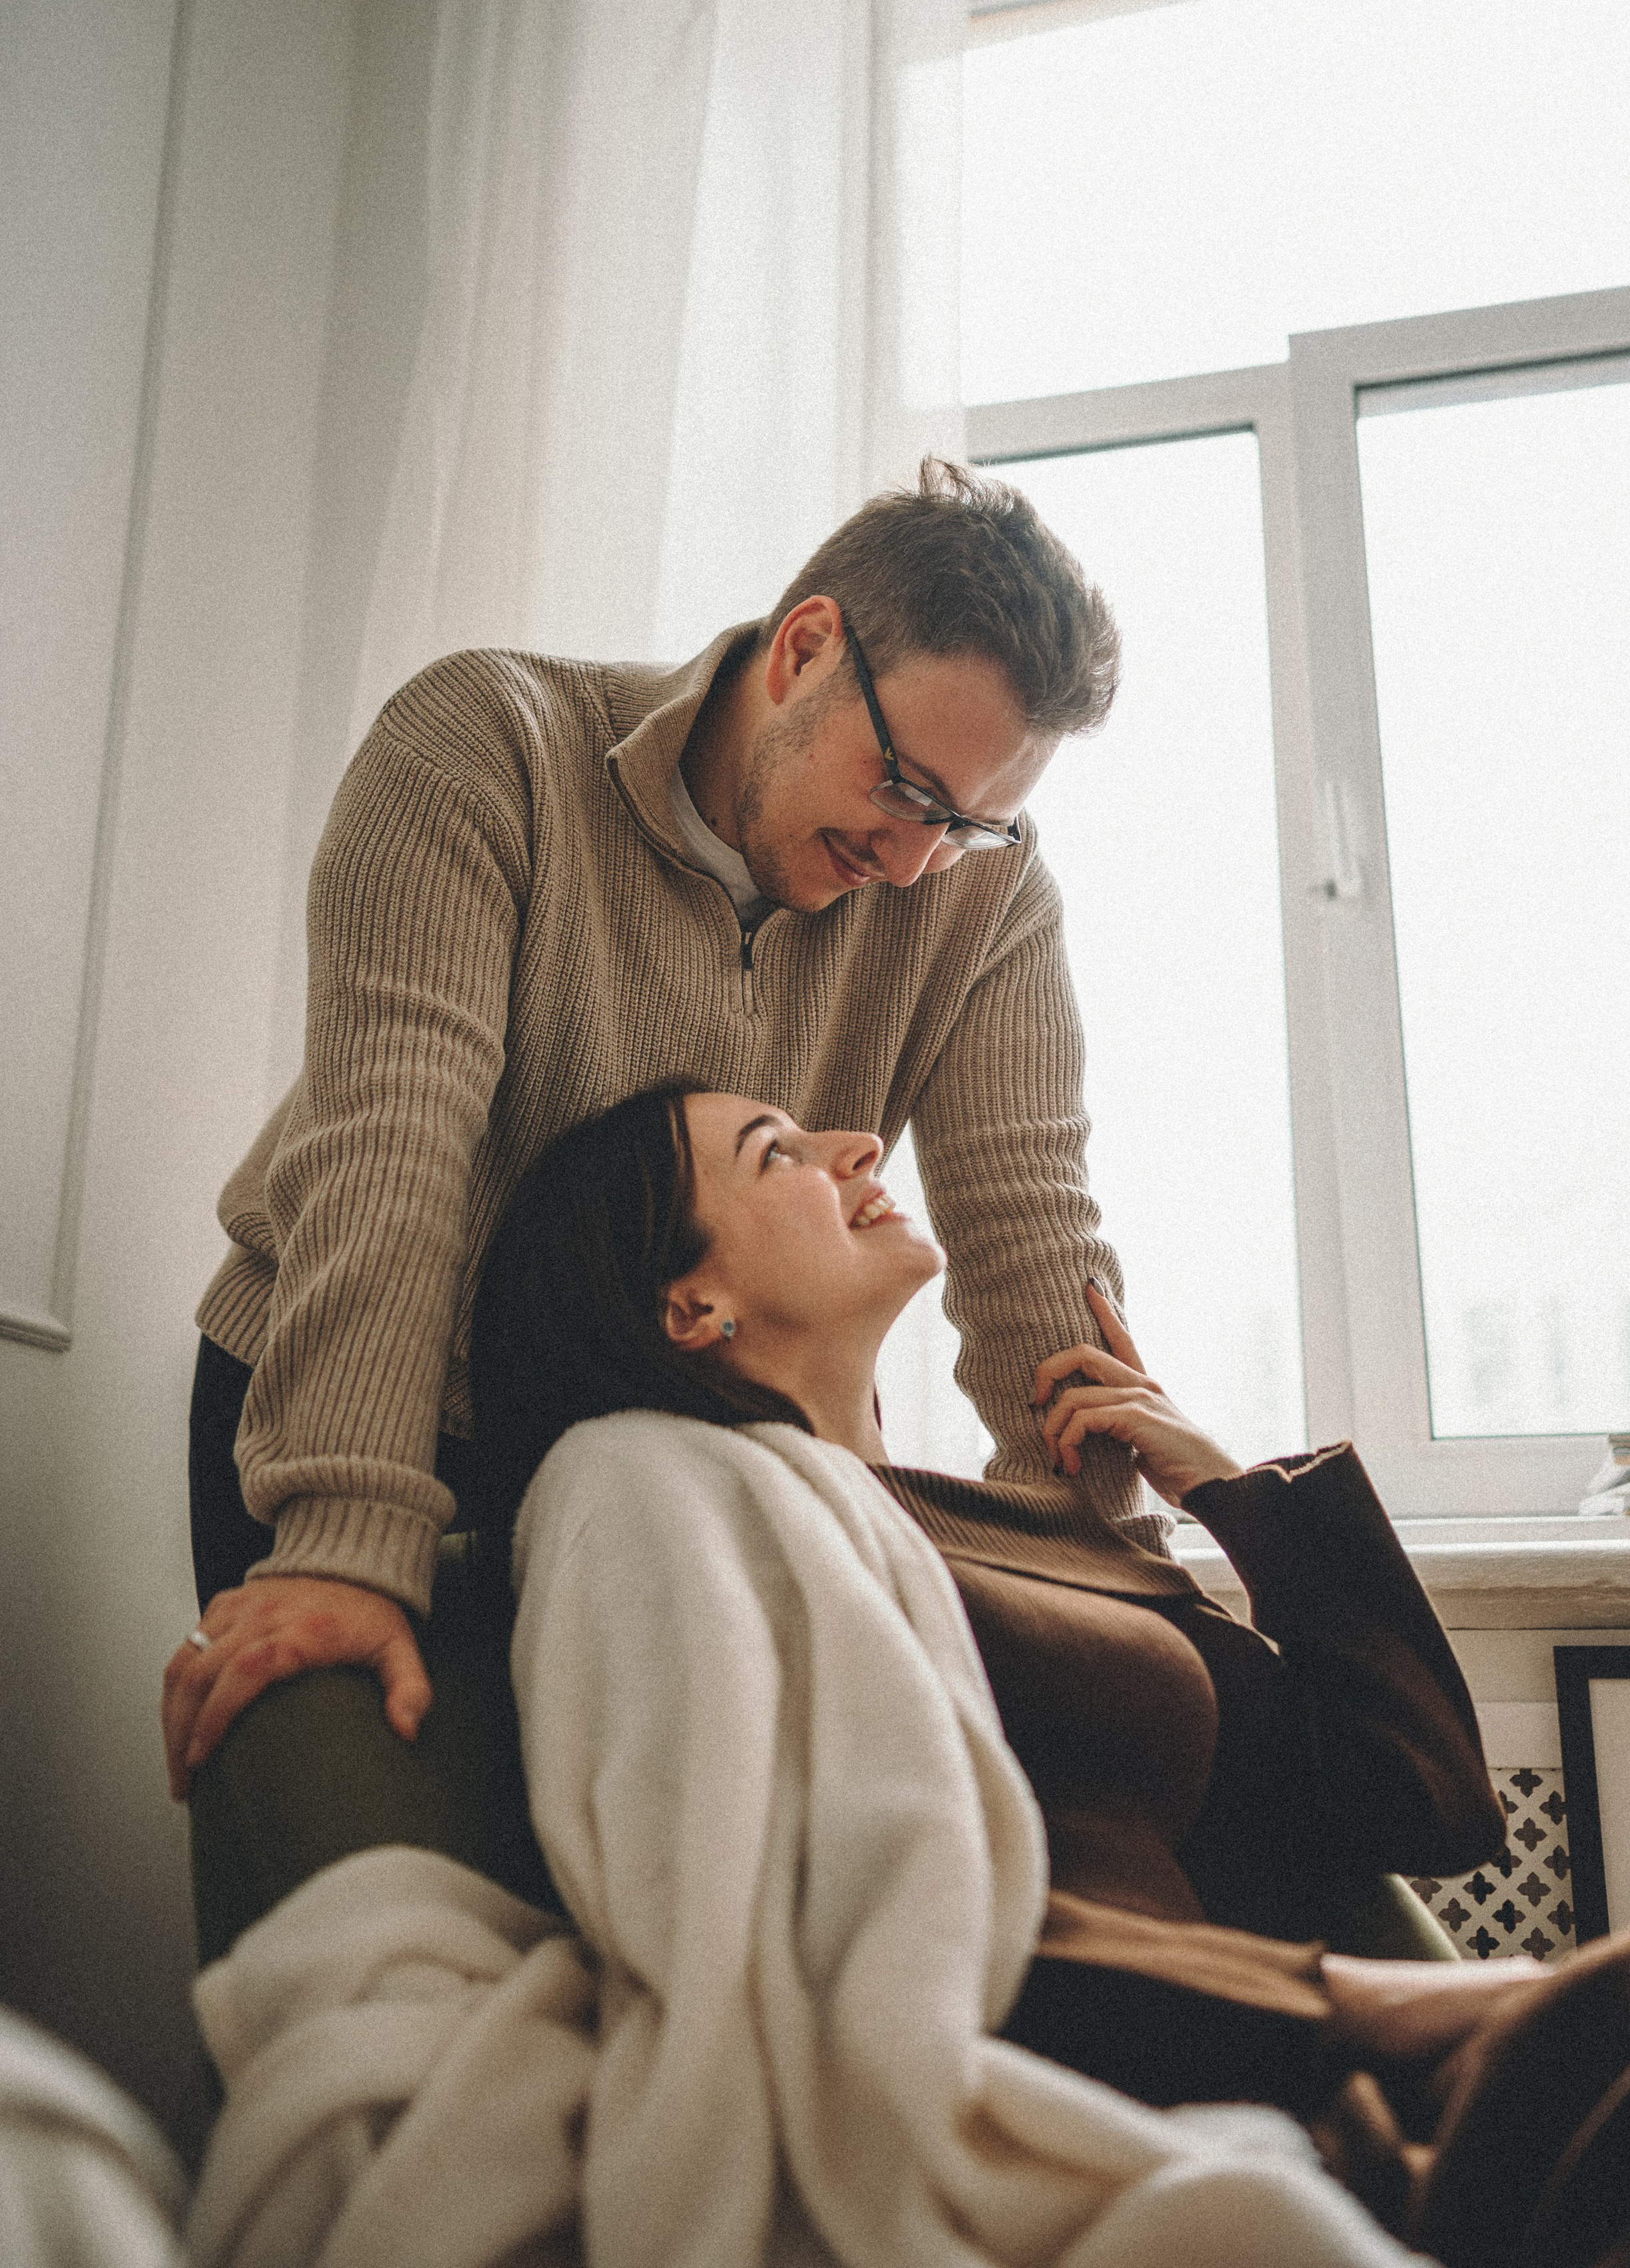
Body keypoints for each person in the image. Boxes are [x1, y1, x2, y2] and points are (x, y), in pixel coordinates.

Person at [455, 1078, 1630, 2268]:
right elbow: (840, 1927)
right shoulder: (662, 1488)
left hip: (1382, 2084)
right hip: (1175, 2112)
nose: (857, 1148)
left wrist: (1234, 1495)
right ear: (690, 1307)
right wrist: (1378, 2009)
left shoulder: (1027, 1524)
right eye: (773, 1152)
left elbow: (1419, 1800)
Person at [164, 458, 1148, 1802]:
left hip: (675, 1471)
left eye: (970, 824)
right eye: (908, 791)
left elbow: (1033, 1221)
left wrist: (1105, 1586)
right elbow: (390, 1152)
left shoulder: (986, 898)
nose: (917, 862)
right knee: (373, 1834)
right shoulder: (485, 744)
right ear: (804, 648)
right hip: (362, 1399)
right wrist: (344, 1537)